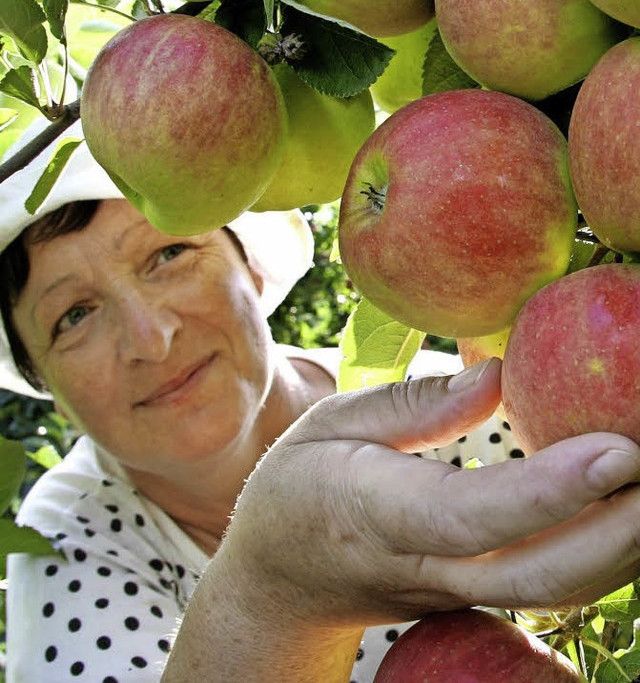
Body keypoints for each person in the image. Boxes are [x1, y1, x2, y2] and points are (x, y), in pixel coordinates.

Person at [3, 121, 640, 683]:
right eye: (74, 316)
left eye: (169, 254)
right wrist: (272, 599)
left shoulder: (477, 401)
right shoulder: (71, 538)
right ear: (41, 380)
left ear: (249, 265)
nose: (150, 337)